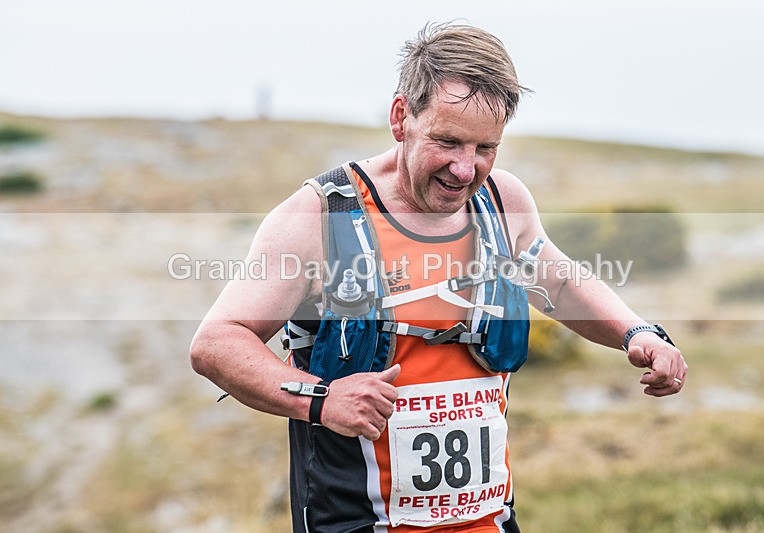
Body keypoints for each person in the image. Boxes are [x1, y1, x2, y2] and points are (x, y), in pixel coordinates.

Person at [190, 22, 687, 532]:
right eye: (447, 141)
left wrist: (638, 332)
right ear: (401, 116)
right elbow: (217, 343)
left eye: (485, 149)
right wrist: (322, 399)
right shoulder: (319, 218)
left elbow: (558, 282)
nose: (465, 169)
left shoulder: (502, 202)